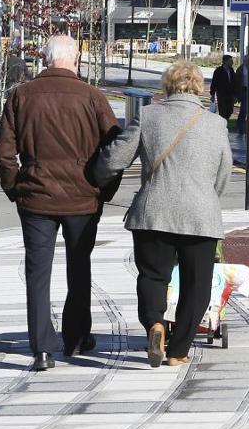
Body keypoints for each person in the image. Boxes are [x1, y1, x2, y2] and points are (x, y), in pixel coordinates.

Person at [0, 34, 121, 371]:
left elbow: (4, 152)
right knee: (79, 267)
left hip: (36, 196)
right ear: (76, 59)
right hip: (83, 198)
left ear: (44, 59)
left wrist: (15, 188)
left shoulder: (21, 95)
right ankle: (76, 337)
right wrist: (104, 189)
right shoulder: (92, 97)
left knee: (37, 272)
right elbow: (115, 150)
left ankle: (42, 349)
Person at [96, 61, 233, 368]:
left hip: (154, 212)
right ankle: (178, 351)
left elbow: (115, 159)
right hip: (200, 215)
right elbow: (224, 173)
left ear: (167, 86)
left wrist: (96, 175)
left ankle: (155, 323)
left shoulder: (148, 116)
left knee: (152, 276)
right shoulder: (216, 124)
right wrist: (207, 198)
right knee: (197, 284)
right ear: (198, 87)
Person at [209, 54, 237, 121]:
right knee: (222, 111)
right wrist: (212, 94)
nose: (232, 63)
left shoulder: (231, 70)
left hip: (230, 94)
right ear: (225, 61)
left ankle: (225, 121)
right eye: (230, 61)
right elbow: (214, 82)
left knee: (229, 111)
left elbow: (234, 82)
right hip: (222, 94)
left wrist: (235, 95)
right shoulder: (218, 71)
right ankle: (223, 124)